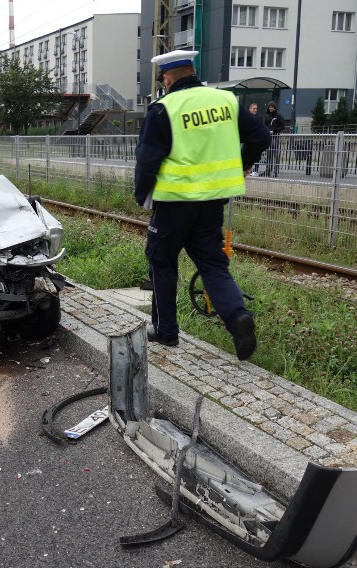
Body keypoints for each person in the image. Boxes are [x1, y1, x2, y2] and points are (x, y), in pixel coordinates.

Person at [134, 50, 270, 360]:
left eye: (163, 80)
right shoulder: (226, 101)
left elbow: (147, 160)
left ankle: (166, 332)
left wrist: (143, 196)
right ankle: (237, 316)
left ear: (167, 78)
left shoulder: (163, 109)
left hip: (173, 204)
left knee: (162, 262)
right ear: (192, 71)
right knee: (212, 264)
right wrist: (243, 163)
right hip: (212, 203)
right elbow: (261, 136)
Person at [264, 101, 285, 177]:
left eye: (272, 107)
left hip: (275, 136)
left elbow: (282, 126)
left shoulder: (279, 116)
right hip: (268, 137)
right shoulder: (267, 116)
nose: (270, 108)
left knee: (275, 154)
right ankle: (268, 170)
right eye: (269, 107)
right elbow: (265, 125)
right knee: (269, 154)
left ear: (275, 108)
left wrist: (274, 131)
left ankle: (276, 171)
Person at [248, 102, 263, 176]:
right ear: (250, 109)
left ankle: (256, 171)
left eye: (256, 108)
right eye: (253, 108)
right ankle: (248, 170)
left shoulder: (259, 117)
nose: (255, 110)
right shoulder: (247, 117)